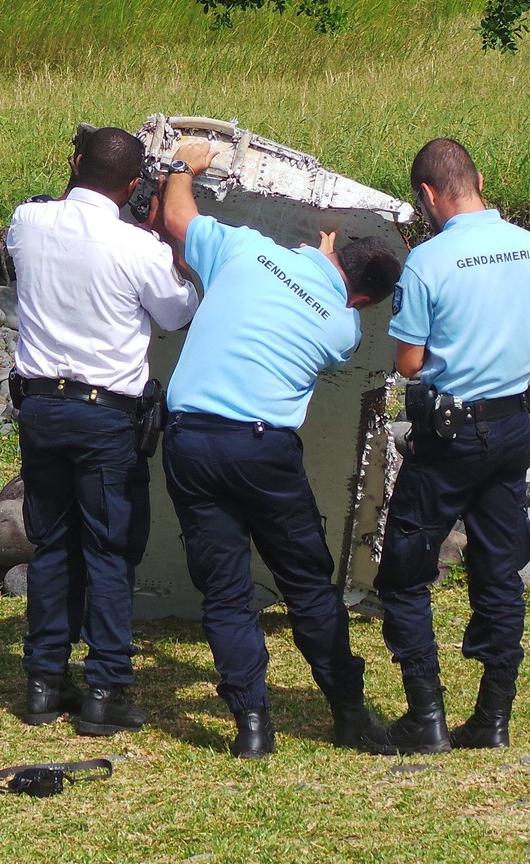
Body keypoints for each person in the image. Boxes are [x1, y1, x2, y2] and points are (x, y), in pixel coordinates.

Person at [158, 140, 404, 759]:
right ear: (365, 300)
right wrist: (326, 273)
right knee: (307, 585)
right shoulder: (343, 326)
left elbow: (176, 220)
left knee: (224, 588)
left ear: (335, 250)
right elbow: (327, 301)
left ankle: (251, 724)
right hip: (266, 452)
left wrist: (184, 166)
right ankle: (348, 712)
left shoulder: (245, 250)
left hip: (193, 440)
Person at [6, 127, 199, 736]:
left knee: (53, 544)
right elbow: (177, 312)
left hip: (39, 406)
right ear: (135, 186)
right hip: (105, 413)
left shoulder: (27, 223)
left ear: (74, 165)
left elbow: (55, 216)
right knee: (110, 551)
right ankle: (106, 687)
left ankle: (43, 681)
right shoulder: (136, 248)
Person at [375, 138, 530, 753]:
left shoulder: (429, 263)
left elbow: (408, 362)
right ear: (479, 178)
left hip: (448, 437)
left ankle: (425, 717)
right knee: (499, 568)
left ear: (427, 195)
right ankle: (493, 718)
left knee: (405, 572)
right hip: (513, 428)